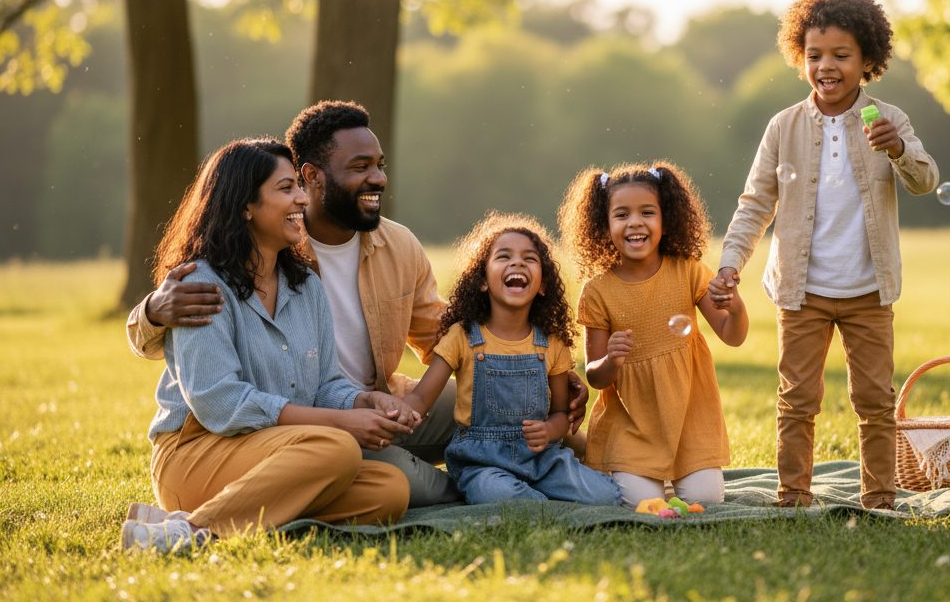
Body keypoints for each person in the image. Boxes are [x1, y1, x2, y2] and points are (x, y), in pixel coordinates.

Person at [127, 101, 588, 507]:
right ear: (311, 175)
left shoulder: (366, 256)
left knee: (512, 409)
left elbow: (447, 337)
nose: (379, 178)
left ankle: (598, 473)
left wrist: (542, 376)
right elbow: (205, 383)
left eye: (380, 165)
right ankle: (476, 484)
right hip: (279, 431)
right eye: (361, 166)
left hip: (362, 407)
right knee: (407, 485)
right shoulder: (250, 259)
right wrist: (150, 313)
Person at [711, 0, 939, 511]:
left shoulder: (887, 119)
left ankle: (880, 498)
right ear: (800, 57)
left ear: (867, 60)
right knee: (797, 401)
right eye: (814, 55)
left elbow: (926, 180)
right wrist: (730, 263)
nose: (826, 66)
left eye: (841, 54)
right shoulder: (784, 126)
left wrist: (900, 149)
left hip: (868, 291)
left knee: (876, 402)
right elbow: (754, 203)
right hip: (802, 290)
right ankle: (793, 495)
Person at [121, 138, 410, 553]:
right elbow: (220, 403)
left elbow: (326, 383)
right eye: (286, 188)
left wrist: (361, 402)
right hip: (197, 451)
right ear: (245, 206)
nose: (301, 198)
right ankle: (188, 532)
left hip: (277, 454)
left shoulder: (307, 285)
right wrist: (342, 424)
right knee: (339, 450)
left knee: (389, 491)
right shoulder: (201, 283)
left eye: (299, 187)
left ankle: (211, 520)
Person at [557, 162, 748, 510]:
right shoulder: (598, 291)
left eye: (647, 212)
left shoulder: (687, 270)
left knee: (706, 499)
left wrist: (735, 308)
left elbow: (732, 336)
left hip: (690, 419)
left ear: (666, 218)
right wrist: (611, 360)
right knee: (641, 502)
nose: (635, 222)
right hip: (632, 426)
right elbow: (596, 377)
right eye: (621, 215)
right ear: (604, 224)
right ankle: (623, 467)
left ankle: (677, 474)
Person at [401, 213, 621, 506]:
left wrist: (549, 431)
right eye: (504, 256)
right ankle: (531, 501)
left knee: (607, 495)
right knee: (498, 493)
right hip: (482, 463)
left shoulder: (551, 343)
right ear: (481, 280)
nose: (517, 263)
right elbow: (420, 399)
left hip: (543, 460)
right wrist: (395, 413)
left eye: (529, 259)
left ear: (543, 284)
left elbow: (559, 414)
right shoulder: (461, 337)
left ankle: (537, 499)